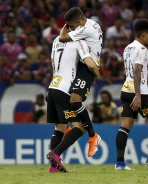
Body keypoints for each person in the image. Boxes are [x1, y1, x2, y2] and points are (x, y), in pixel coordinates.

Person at [115, 18, 148, 170]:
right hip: (140, 92)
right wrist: (138, 95)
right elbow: (137, 71)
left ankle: (119, 163)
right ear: (144, 35)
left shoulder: (128, 48)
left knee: (125, 126)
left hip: (125, 90)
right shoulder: (142, 49)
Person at [46, 36, 100, 173]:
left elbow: (53, 62)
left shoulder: (56, 40)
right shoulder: (79, 41)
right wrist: (97, 72)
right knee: (80, 127)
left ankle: (54, 167)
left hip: (52, 87)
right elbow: (90, 64)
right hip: (65, 89)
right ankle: (56, 153)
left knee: (60, 127)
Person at [58, 7, 103, 157]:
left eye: (71, 25)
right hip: (84, 65)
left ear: (78, 22)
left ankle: (93, 136)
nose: (70, 28)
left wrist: (65, 28)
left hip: (87, 67)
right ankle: (68, 129)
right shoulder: (93, 23)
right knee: (60, 96)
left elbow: (62, 38)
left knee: (75, 100)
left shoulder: (86, 29)